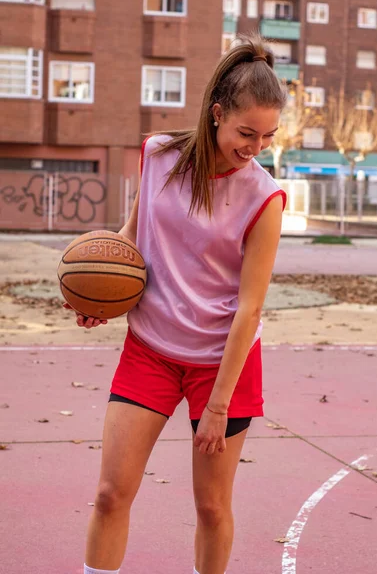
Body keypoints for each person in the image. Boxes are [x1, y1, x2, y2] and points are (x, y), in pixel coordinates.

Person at [66, 33, 287, 574]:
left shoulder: (265, 198)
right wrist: (106, 292)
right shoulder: (158, 155)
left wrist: (217, 406)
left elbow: (250, 310)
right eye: (246, 132)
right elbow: (133, 235)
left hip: (223, 364)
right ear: (216, 114)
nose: (255, 146)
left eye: (268, 136)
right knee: (111, 493)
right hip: (151, 350)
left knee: (212, 508)